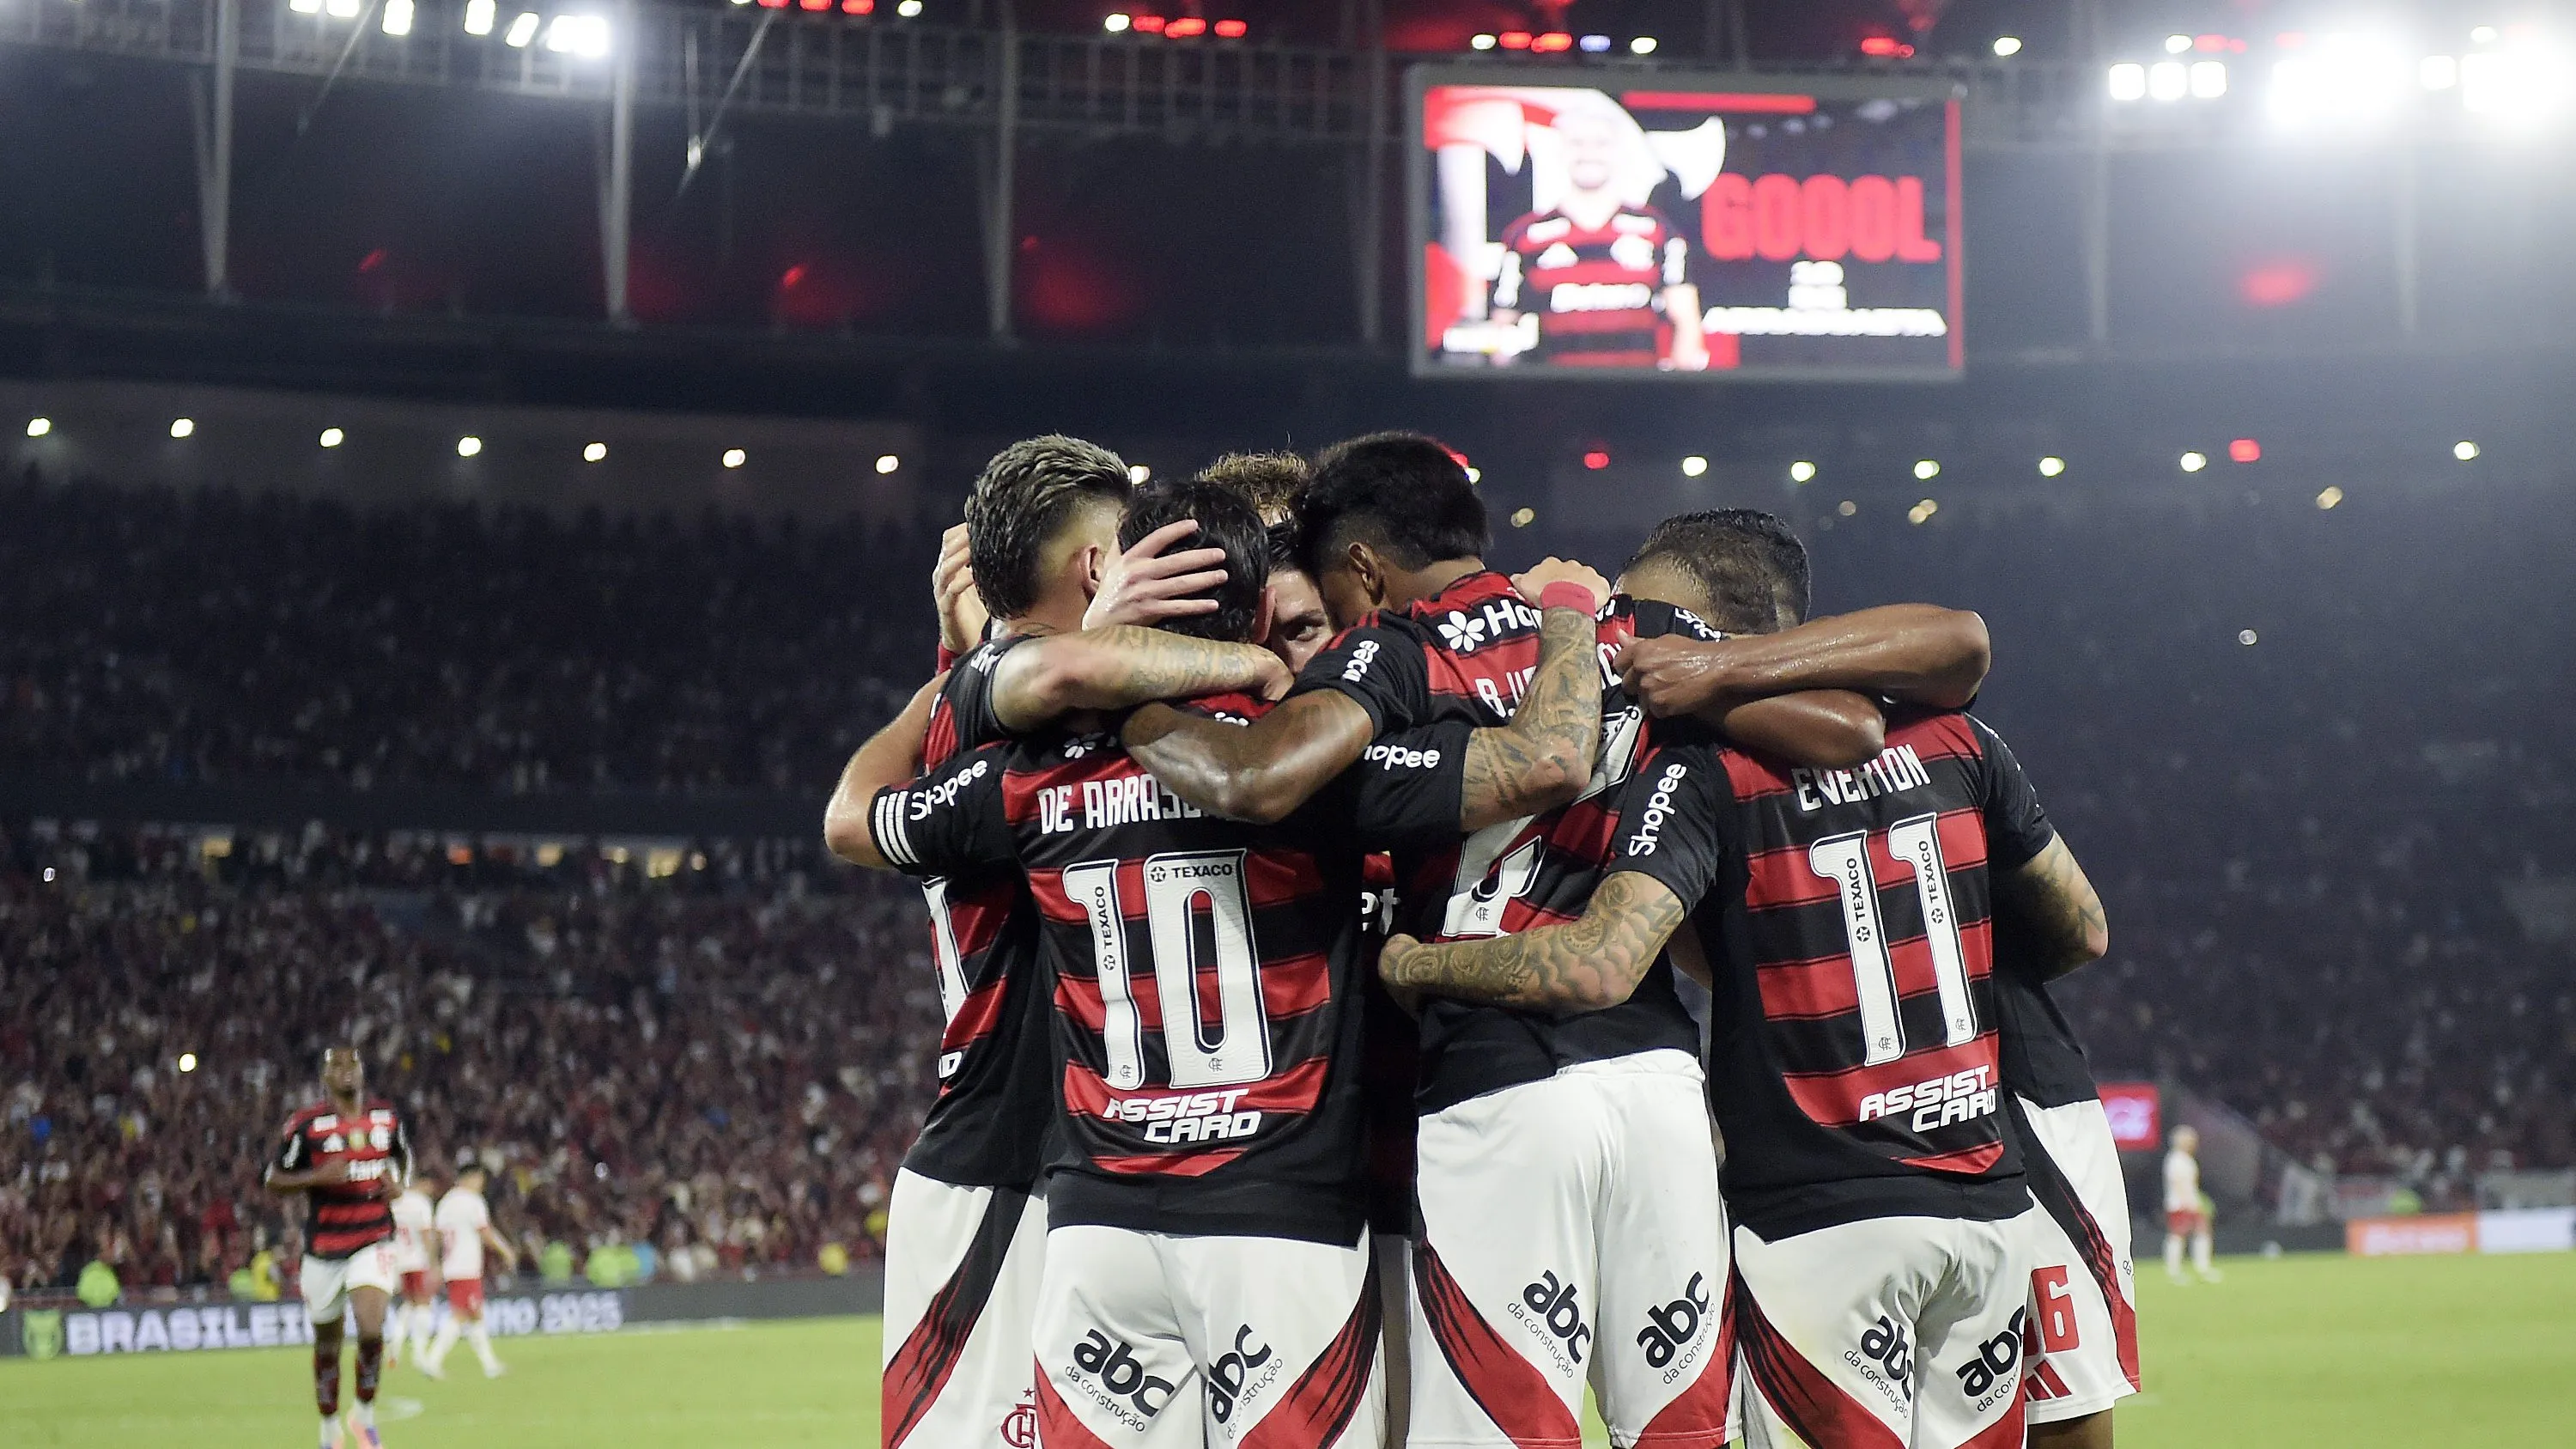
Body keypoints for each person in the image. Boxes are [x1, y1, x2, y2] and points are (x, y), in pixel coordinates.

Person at [1378, 508, 2094, 1449]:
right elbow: (2082, 926)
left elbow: (1601, 958)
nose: (1626, 639)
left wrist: (1420, 961)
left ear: (1707, 630)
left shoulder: (1704, 772)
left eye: (1647, 616)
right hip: (1985, 1191)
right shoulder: (1957, 742)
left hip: (1821, 1219)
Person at [850, 479, 1502, 1447]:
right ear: (1249, 611)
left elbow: (855, 816)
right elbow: (1534, 767)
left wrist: (971, 673)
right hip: (1277, 1213)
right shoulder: (1305, 764)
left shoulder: (1027, 772)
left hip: (1099, 1227)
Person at [822, 436, 1295, 1449]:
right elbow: (852, 817)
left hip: (1092, 1169)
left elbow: (860, 808)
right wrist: (1254, 659)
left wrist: (967, 653)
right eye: (1127, 543)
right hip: (1000, 1167)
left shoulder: (994, 701)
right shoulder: (1022, 706)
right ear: (1095, 570)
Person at [264, 1046, 413, 1449]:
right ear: (325, 1078)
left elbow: (404, 1159)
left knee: (370, 1328)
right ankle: (329, 1425)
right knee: (327, 1344)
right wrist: (317, 1177)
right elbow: (273, 1179)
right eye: (337, 1065)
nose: (346, 1071)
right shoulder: (306, 1125)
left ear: (363, 1072)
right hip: (324, 1248)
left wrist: (399, 1186)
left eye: (353, 1063)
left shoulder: (387, 1117)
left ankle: (362, 1416)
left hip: (374, 1238)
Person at [1491, 100, 1710, 370]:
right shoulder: (1524, 237)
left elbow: (1687, 322)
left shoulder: (1658, 231)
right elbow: (1502, 329)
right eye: (1577, 143)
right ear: (1561, 150)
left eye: (1600, 143)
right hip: (1551, 401)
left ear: (1618, 151)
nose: (1588, 153)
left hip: (1640, 401)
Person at [421, 1162, 516, 1379]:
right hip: (466, 1267)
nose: (481, 1185)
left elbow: (437, 1236)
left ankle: (490, 1365)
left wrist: (435, 1264)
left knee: (475, 1315)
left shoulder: (445, 1203)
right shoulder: (472, 1202)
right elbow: (485, 1231)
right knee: (461, 1315)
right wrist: (506, 1250)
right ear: (471, 1178)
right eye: (479, 1180)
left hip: (452, 1265)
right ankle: (432, 1359)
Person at [387, 1173, 439, 1370]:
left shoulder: (395, 1202)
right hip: (418, 1261)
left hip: (399, 1261)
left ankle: (395, 1347)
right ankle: (420, 1354)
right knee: (424, 1306)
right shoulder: (421, 1203)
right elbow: (426, 1234)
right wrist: (433, 1262)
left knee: (409, 1305)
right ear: (424, 1183)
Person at [2164, 1125, 2221, 1284]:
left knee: (2202, 1232)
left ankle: (2202, 1266)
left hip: (2190, 1202)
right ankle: (2173, 1269)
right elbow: (2177, 1183)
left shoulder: (2186, 1159)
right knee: (2178, 1235)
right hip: (2180, 1204)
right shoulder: (2175, 1159)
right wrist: (2187, 1202)